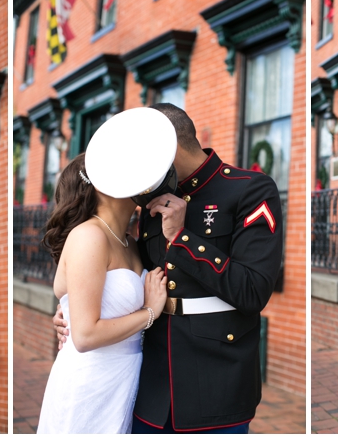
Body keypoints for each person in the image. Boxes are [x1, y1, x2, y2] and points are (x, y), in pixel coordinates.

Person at [54, 103, 284, 433]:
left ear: (166, 147)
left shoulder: (249, 189)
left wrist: (181, 238)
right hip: (150, 384)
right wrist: (70, 310)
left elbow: (254, 291)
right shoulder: (152, 199)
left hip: (216, 379)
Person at [37, 139, 169, 432]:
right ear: (100, 183)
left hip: (126, 379)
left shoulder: (132, 243)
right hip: (90, 384)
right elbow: (84, 336)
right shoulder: (89, 236)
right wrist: (149, 313)